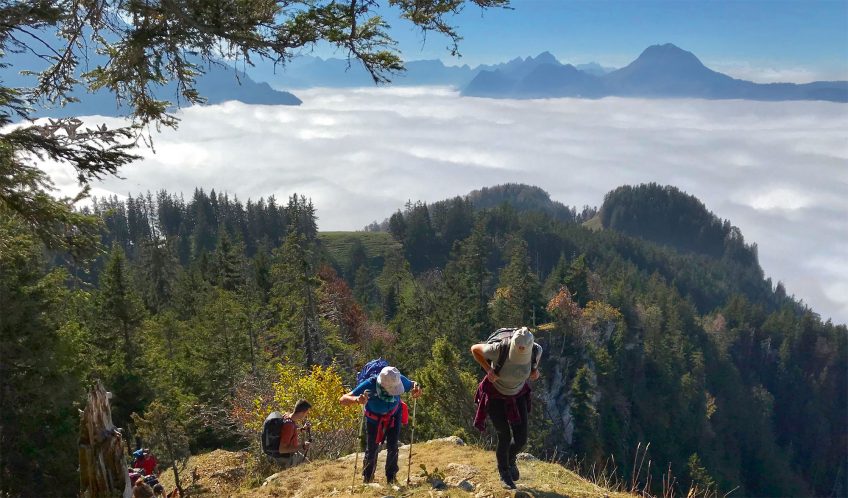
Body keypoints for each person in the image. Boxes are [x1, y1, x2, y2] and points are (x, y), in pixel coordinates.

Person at [470, 327, 542, 490]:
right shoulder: (499, 349)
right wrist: (488, 370)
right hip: (495, 395)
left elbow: (534, 367)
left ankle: (510, 460)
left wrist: (535, 371)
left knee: (521, 438)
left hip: (518, 395)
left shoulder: (536, 350)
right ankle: (504, 474)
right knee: (504, 436)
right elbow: (475, 349)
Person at [340, 366, 422, 484]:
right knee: (372, 449)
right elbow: (342, 399)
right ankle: (368, 479)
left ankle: (391, 478)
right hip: (374, 420)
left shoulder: (397, 379)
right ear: (383, 386)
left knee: (393, 446)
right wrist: (357, 400)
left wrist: (417, 388)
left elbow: (413, 384)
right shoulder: (370, 385)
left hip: (394, 414)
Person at [274, 399, 312, 469]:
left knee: (310, 466)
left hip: (292, 454)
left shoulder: (287, 416)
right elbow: (282, 450)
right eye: (307, 413)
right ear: (302, 412)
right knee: (309, 469)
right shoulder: (289, 425)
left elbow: (289, 432)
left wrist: (302, 429)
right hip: (287, 458)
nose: (306, 415)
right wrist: (302, 446)